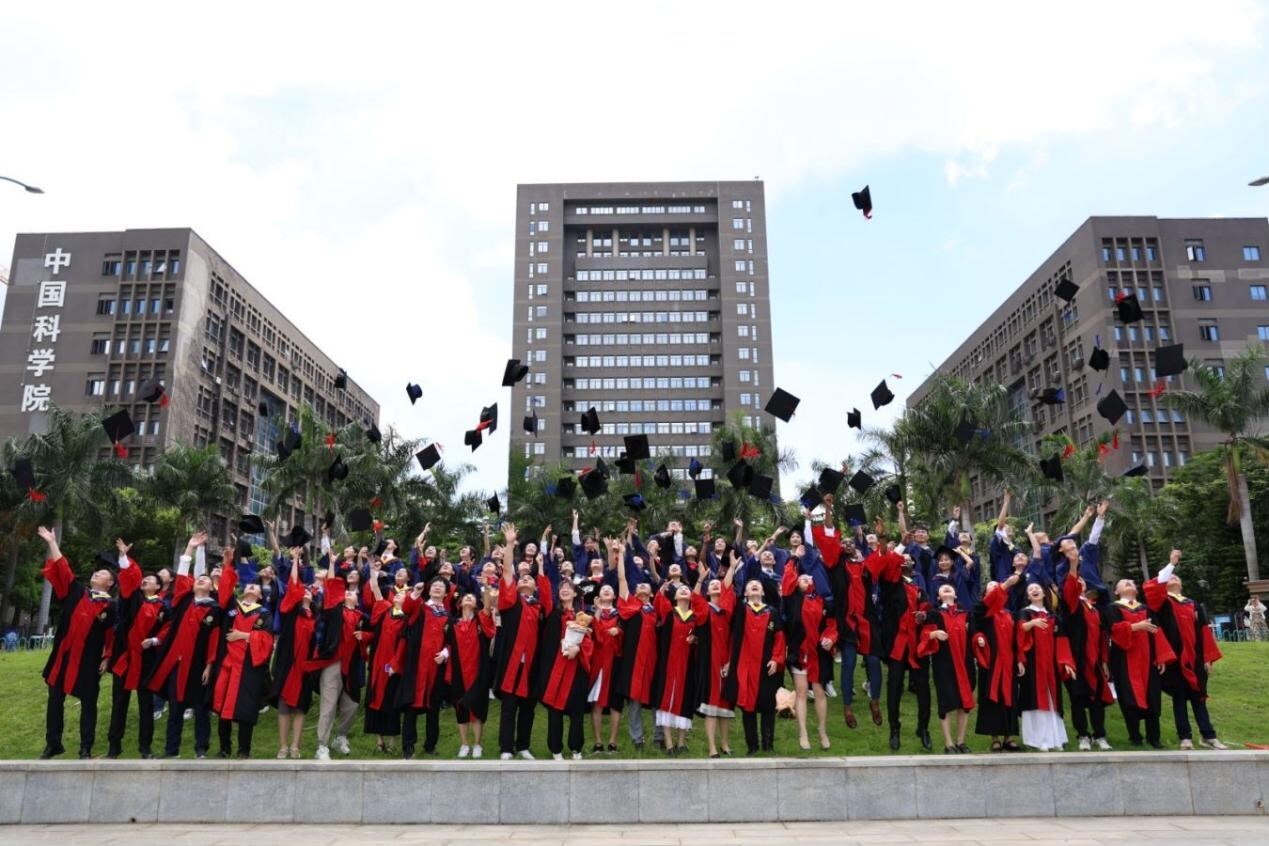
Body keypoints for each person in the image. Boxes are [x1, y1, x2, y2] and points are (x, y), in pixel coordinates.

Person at [38, 526, 118, 759]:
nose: (96, 574)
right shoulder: (77, 593)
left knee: (88, 704)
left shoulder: (111, 607)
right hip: (63, 657)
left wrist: (107, 657)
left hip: (88, 661)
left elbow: (112, 635)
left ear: (110, 583)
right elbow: (63, 569)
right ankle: (53, 743)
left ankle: (85, 747)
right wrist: (52, 543)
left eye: (102, 574)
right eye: (96, 573)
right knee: (55, 700)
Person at [1143, 550, 1229, 750]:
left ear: (1181, 585)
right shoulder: (1162, 602)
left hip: (1195, 658)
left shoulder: (1193, 604)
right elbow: (1155, 586)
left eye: (1176, 577)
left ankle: (1208, 736)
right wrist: (1171, 564)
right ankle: (1185, 737)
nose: (1173, 577)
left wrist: (1207, 658)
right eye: (1170, 577)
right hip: (1174, 658)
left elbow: (1204, 632)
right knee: (1179, 699)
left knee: (1199, 698)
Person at [146, 533, 220, 758]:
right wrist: (190, 547)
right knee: (175, 709)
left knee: (200, 709)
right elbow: (182, 574)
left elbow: (215, 639)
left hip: (198, 665)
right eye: (199, 578)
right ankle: (171, 751)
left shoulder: (215, 610)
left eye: (205, 579)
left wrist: (210, 665)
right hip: (176, 664)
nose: (201, 579)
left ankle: (201, 749)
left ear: (212, 588)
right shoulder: (183, 600)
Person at [493, 524, 552, 760]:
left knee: (528, 707)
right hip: (512, 662)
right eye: (522, 579)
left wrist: (542, 566)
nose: (525, 580)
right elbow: (508, 572)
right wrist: (509, 545)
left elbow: (547, 595)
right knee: (509, 708)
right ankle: (507, 748)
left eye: (530, 578)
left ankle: (524, 746)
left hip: (532, 664)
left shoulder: (539, 607)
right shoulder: (511, 602)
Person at [107, 538, 168, 759]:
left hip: (146, 660)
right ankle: (114, 747)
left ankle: (146, 748)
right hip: (125, 658)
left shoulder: (163, 607)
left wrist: (154, 640)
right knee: (118, 705)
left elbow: (168, 630)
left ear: (158, 587)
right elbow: (129, 580)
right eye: (144, 578)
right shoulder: (132, 599)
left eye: (150, 579)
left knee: (146, 706)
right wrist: (124, 557)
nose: (145, 580)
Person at [876, 513, 932, 752]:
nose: (905, 560)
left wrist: (923, 617)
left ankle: (923, 728)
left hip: (918, 644)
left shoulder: (920, 588)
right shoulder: (890, 584)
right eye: (903, 558)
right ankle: (894, 729)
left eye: (909, 559)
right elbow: (886, 562)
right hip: (897, 645)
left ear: (913, 566)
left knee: (923, 688)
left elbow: (930, 611)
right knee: (894, 688)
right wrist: (895, 542)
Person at [211, 552, 274, 758]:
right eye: (248, 586)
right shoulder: (232, 608)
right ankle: (224, 748)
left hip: (249, 668)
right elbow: (225, 589)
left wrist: (243, 635)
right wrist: (228, 564)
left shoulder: (264, 614)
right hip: (229, 665)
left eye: (255, 587)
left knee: (246, 709)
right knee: (223, 707)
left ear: (261, 596)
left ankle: (244, 750)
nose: (251, 587)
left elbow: (267, 640)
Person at [1106, 575, 1173, 748]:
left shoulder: (1146, 609)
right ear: (1116, 591)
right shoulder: (1112, 609)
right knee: (1129, 698)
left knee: (1153, 698)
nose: (1128, 582)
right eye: (1123, 582)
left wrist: (1161, 657)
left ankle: (1154, 737)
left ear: (1136, 590)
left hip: (1148, 660)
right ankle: (1135, 737)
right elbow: (1114, 631)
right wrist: (1136, 626)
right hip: (1124, 660)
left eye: (1131, 582)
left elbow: (1156, 632)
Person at [724, 578, 786, 755]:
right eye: (750, 585)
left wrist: (776, 659)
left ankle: (768, 745)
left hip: (766, 666)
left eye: (757, 585)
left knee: (768, 707)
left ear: (763, 592)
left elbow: (779, 638)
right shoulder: (741, 610)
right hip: (745, 667)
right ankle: (752, 746)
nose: (754, 585)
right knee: (747, 707)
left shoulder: (772, 612)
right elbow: (727, 598)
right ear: (745, 593)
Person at [782, 558, 836, 751]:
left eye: (810, 579)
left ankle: (822, 730)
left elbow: (832, 625)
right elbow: (788, 577)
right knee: (802, 691)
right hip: (799, 651)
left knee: (820, 692)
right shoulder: (791, 598)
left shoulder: (823, 601)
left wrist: (830, 639)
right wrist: (794, 558)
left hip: (819, 653)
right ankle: (803, 732)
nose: (808, 581)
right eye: (803, 579)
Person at [612, 538, 660, 752]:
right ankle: (637, 738)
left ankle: (659, 736)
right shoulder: (630, 606)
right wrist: (622, 554)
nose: (640, 586)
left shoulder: (658, 610)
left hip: (654, 660)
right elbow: (622, 579)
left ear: (651, 593)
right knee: (634, 700)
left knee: (656, 699)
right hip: (633, 661)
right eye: (638, 585)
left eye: (644, 585)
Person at [1015, 582, 1075, 751]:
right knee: (1034, 699)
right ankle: (1037, 740)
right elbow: (1019, 632)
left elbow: (1062, 641)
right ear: (1028, 596)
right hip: (1032, 664)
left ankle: (1055, 739)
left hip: (1051, 665)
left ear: (1044, 593)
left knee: (1052, 700)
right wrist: (1032, 624)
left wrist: (1066, 662)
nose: (1034, 590)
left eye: (1037, 588)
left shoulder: (1054, 617)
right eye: (1030, 589)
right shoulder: (1025, 613)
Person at [272, 546, 319, 759]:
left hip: (305, 668)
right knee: (284, 707)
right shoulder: (290, 611)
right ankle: (283, 746)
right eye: (303, 590)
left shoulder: (316, 618)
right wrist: (295, 561)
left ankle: (295, 746)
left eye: (309, 590)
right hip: (287, 664)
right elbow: (293, 585)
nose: (305, 590)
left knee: (301, 707)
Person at [1060, 567, 1114, 751]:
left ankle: (1100, 735)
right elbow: (1070, 589)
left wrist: (1104, 661)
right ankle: (1083, 735)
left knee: (1097, 701)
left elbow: (1102, 636)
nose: (1079, 582)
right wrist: (1073, 563)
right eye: (1076, 581)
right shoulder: (1072, 605)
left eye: (1082, 581)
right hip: (1077, 660)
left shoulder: (1094, 609)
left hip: (1095, 661)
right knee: (1078, 700)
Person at [651, 583, 708, 755]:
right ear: (675, 596)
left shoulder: (695, 617)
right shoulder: (669, 613)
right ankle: (669, 744)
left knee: (685, 699)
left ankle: (681, 743)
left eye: (687, 589)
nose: (684, 590)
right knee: (666, 699)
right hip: (668, 664)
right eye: (680, 589)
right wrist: (661, 591)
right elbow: (658, 605)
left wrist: (695, 639)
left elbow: (703, 638)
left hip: (687, 665)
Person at [539, 581, 592, 760]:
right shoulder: (552, 613)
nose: (565, 589)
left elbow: (589, 640)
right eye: (562, 587)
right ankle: (556, 749)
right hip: (555, 667)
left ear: (575, 594)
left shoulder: (583, 617)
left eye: (569, 587)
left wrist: (579, 648)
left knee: (577, 710)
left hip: (576, 667)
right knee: (555, 710)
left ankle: (576, 748)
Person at [919, 584, 975, 754]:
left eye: (950, 587)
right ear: (938, 597)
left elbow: (975, 634)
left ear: (956, 594)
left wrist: (975, 635)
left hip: (965, 662)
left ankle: (961, 741)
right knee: (946, 701)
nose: (946, 589)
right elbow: (923, 635)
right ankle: (948, 743)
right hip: (944, 663)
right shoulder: (934, 614)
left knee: (964, 703)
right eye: (942, 588)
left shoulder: (966, 614)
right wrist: (934, 634)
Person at [400, 578, 452, 759]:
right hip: (416, 665)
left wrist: (445, 653)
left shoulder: (448, 616)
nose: (437, 587)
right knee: (411, 706)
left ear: (446, 593)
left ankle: (430, 745)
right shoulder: (420, 607)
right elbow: (406, 608)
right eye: (435, 585)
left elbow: (451, 642)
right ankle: (408, 747)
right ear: (429, 590)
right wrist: (415, 592)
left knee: (434, 708)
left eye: (441, 586)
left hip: (436, 667)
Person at [697, 550, 739, 758]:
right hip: (709, 660)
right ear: (707, 591)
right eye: (711, 584)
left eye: (718, 584)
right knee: (712, 702)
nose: (716, 585)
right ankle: (712, 746)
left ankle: (725, 744)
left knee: (725, 703)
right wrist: (700, 580)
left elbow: (728, 587)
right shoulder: (704, 608)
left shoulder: (726, 610)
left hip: (726, 658)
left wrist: (732, 567)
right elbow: (694, 599)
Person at [972, 577, 1022, 752]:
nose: (996, 588)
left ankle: (1009, 737)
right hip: (991, 663)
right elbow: (976, 624)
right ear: (986, 594)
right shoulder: (983, 612)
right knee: (991, 699)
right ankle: (994, 738)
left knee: (1010, 698)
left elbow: (1016, 640)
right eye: (991, 587)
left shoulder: (1009, 614)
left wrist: (1020, 660)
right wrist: (1005, 584)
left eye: (997, 587)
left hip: (1009, 663)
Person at [363, 559, 408, 754]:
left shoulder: (407, 619)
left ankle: (392, 742)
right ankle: (379, 741)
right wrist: (373, 571)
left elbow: (405, 644)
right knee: (375, 698)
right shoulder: (384, 608)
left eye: (403, 595)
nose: (399, 595)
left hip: (394, 665)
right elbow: (375, 589)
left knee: (391, 700)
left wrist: (395, 665)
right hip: (377, 662)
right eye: (397, 594)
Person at [448, 587, 497, 758]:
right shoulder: (452, 623)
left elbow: (487, 608)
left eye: (472, 597)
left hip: (479, 672)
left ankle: (477, 745)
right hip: (458, 672)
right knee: (460, 708)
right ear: (459, 603)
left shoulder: (480, 620)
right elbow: (447, 644)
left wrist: (487, 587)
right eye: (466, 597)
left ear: (476, 604)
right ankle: (464, 744)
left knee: (477, 709)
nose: (468, 598)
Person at [588, 580, 624, 754]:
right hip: (597, 661)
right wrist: (597, 611)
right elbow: (592, 634)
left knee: (615, 702)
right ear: (598, 596)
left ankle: (613, 742)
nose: (607, 590)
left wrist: (619, 632)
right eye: (603, 589)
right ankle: (597, 742)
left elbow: (628, 636)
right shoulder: (591, 612)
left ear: (614, 596)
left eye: (610, 589)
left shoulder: (621, 614)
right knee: (597, 702)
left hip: (615, 661)